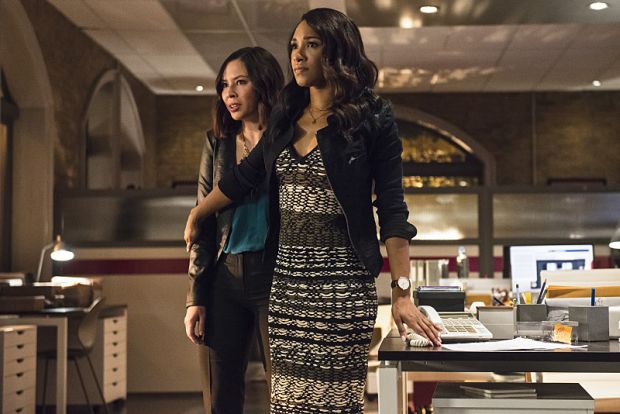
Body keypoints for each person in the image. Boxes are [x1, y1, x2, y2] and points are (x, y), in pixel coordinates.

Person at [184, 8, 441, 413]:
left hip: (342, 288)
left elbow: (393, 209)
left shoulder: (373, 116)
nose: (297, 55)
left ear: (337, 51)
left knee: (335, 404)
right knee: (287, 405)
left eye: (312, 44)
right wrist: (200, 212)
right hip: (287, 288)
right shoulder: (286, 113)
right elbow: (244, 176)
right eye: (294, 45)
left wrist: (402, 293)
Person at [183, 46, 284, 414]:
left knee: (286, 394)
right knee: (220, 398)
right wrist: (196, 296)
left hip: (276, 277)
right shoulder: (218, 144)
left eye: (240, 82)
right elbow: (203, 225)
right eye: (224, 85)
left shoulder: (288, 140)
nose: (230, 93)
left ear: (264, 84)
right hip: (223, 278)